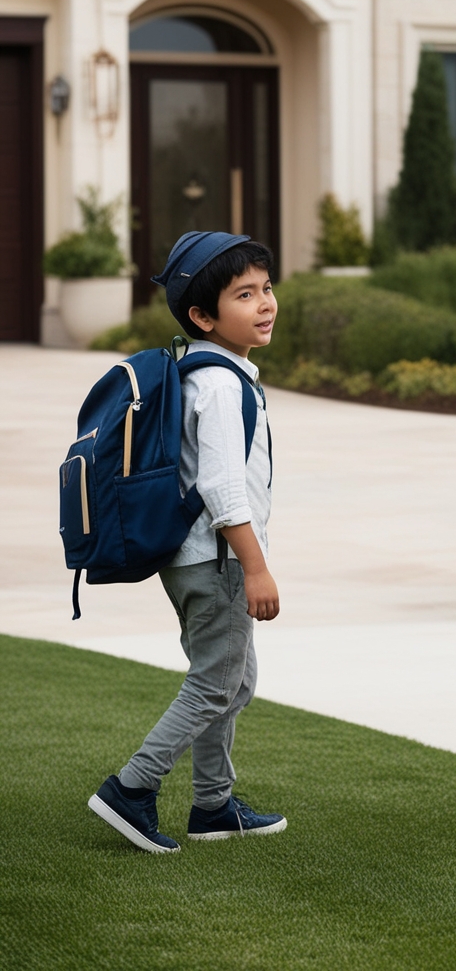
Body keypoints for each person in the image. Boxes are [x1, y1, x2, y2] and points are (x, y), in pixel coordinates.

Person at [88, 231, 287, 853]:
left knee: (234, 679)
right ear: (203, 316)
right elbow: (223, 488)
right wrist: (256, 568)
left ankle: (213, 805)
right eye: (244, 294)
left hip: (195, 558)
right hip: (218, 559)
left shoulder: (201, 372)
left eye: (266, 288)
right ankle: (132, 788)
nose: (265, 303)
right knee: (216, 683)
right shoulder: (222, 386)